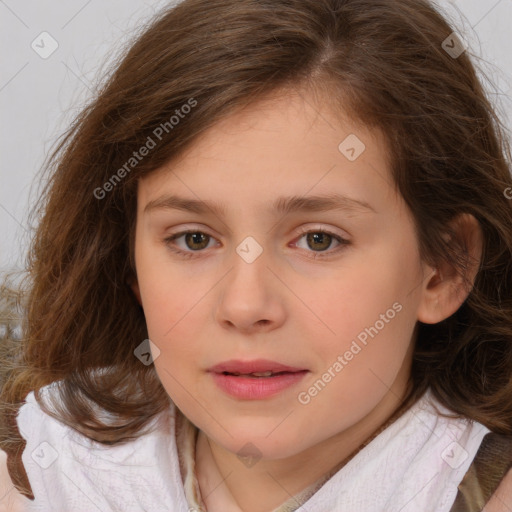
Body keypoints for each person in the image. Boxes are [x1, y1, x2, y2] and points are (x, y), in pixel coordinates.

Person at [1, 0, 512, 510]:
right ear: (128, 260)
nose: (245, 306)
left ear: (444, 268)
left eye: (319, 239)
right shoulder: (34, 472)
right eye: (193, 239)